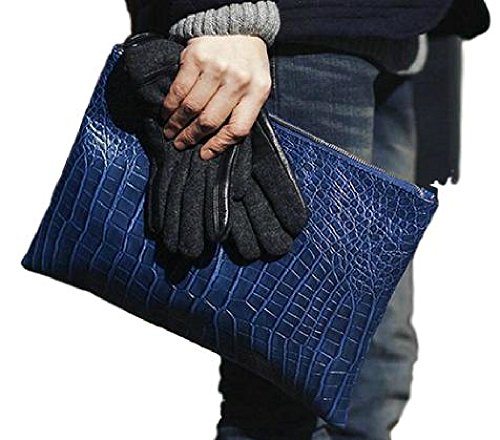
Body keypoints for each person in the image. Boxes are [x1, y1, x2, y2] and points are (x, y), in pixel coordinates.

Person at [123, 1, 490, 439]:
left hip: (400, 34)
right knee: (283, 402)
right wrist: (220, 11)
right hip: (286, 33)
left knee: (376, 374)